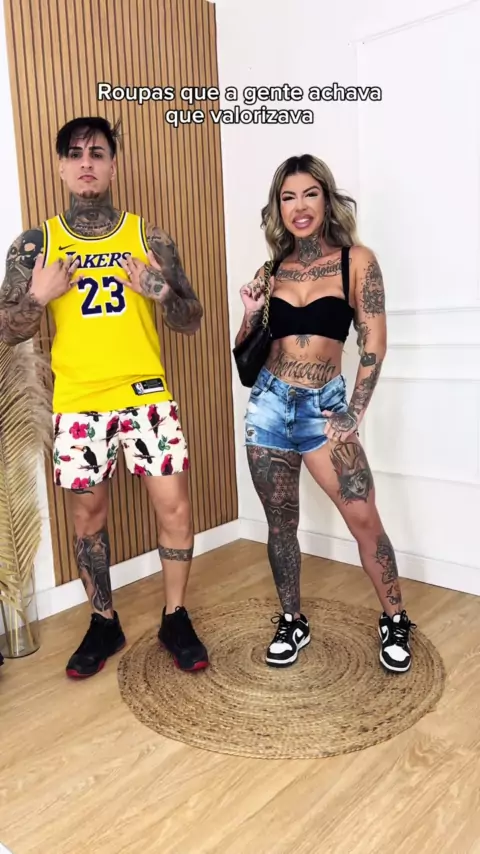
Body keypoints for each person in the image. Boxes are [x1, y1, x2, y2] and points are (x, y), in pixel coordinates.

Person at [0, 116, 209, 678]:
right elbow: (5, 330)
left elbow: (192, 319)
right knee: (88, 518)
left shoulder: (149, 238)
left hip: (145, 394)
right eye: (75, 154)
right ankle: (103, 620)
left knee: (175, 507)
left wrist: (160, 290)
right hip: (78, 401)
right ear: (61, 167)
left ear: (113, 165)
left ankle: (175, 616)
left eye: (97, 152)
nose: (86, 162)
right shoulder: (36, 245)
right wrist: (38, 297)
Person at [235, 154, 415, 674]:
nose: (299, 206)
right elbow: (245, 356)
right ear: (278, 208)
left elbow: (373, 342)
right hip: (269, 406)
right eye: (288, 197)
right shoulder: (272, 270)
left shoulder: (355, 261)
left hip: (324, 407)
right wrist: (250, 314)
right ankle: (292, 620)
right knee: (280, 524)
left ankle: (395, 618)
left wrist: (353, 412)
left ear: (327, 199)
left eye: (309, 194)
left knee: (363, 517)